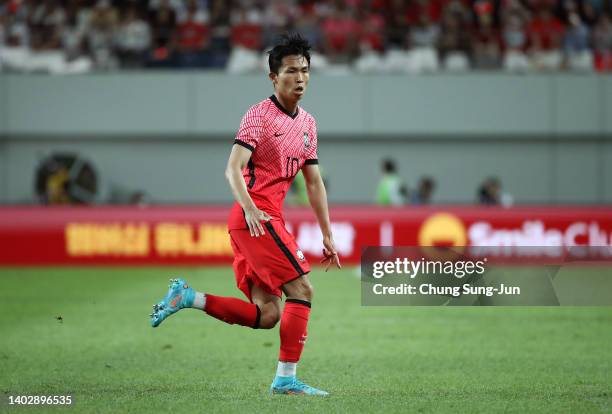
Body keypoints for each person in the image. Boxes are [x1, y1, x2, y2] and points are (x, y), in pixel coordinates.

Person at [150, 34, 341, 396]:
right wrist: (251, 207)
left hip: (261, 221)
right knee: (303, 289)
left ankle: (189, 298)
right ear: (273, 77)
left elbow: (314, 184)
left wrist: (327, 233)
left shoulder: (308, 125)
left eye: (305, 70)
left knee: (268, 315)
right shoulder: (259, 116)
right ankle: (286, 379)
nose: (300, 78)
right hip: (255, 218)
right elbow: (232, 168)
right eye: (290, 71)